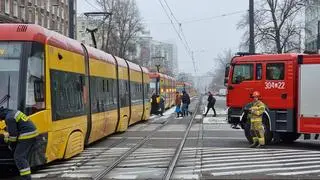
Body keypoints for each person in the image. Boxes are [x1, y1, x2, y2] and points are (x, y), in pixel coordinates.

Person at [0, 107, 39, 180]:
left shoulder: (9, 118)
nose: (1, 120)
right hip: (32, 133)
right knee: (23, 157)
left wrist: (7, 140)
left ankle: (26, 178)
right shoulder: (13, 112)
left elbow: (13, 137)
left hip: (27, 135)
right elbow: (17, 125)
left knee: (19, 157)